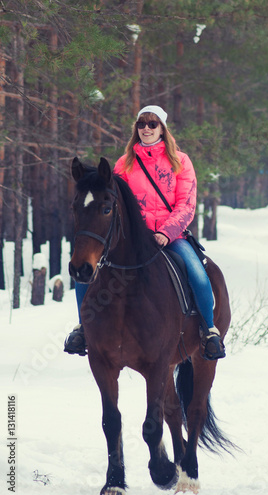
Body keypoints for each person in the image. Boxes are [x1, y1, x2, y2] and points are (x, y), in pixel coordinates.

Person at [64, 105, 225, 360]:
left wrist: (166, 232)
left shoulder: (180, 161)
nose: (146, 129)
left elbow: (187, 204)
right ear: (136, 128)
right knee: (87, 272)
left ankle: (208, 330)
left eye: (152, 124)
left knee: (198, 272)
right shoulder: (124, 163)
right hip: (133, 238)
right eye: (142, 124)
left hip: (169, 236)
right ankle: (83, 328)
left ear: (162, 128)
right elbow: (115, 201)